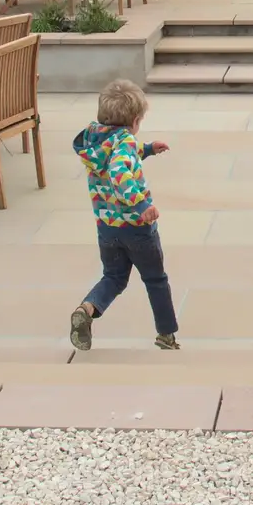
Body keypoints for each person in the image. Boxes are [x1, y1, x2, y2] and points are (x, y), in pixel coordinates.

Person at [69, 79, 178, 352]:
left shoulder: (96, 137)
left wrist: (148, 149)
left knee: (114, 277)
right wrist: (141, 207)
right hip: (136, 229)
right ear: (135, 120)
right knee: (156, 280)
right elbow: (120, 171)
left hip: (107, 228)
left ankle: (88, 307)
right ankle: (166, 336)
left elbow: (117, 152)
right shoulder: (125, 143)